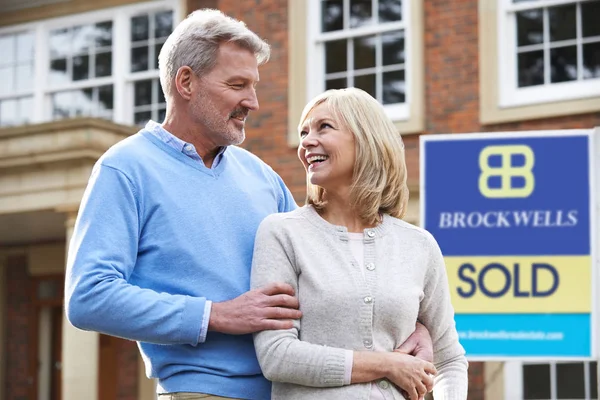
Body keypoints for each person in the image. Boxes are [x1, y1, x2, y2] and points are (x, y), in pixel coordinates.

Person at [64, 9, 434, 400]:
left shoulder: (260, 176)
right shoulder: (125, 169)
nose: (253, 102)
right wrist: (216, 315)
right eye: (238, 84)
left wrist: (412, 324)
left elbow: (327, 272)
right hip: (203, 392)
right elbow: (89, 296)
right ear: (186, 82)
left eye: (253, 86)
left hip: (298, 390)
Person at [251, 87, 468, 400]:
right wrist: (386, 365)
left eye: (324, 127)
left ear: (367, 138)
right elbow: (277, 355)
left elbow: (448, 358)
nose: (307, 142)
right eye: (303, 132)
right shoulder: (283, 233)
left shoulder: (418, 244)